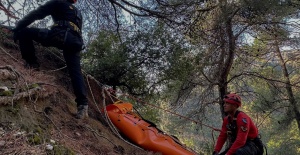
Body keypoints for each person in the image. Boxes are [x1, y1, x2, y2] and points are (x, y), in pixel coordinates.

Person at [13, 0, 88, 119]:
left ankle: (33, 64)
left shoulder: (58, 2)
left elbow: (37, 14)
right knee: (76, 72)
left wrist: (17, 27)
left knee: (24, 32)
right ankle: (83, 105)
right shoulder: (77, 12)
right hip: (76, 42)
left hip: (59, 35)